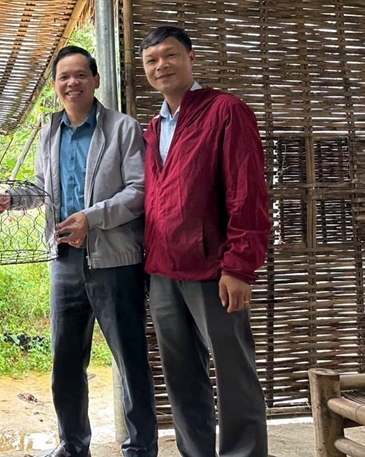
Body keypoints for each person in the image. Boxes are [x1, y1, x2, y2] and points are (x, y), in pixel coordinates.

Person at [0, 46, 157, 457]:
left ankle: (140, 448)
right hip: (64, 260)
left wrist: (92, 218)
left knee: (130, 359)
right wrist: (11, 199)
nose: (72, 83)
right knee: (66, 362)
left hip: (115, 261)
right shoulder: (50, 131)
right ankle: (73, 444)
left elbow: (139, 192)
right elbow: (42, 189)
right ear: (55, 85)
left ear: (96, 80)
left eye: (81, 74)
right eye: (64, 77)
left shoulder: (122, 128)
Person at [139, 26, 271, 457]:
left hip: (213, 271)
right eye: (152, 60)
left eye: (170, 55)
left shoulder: (225, 111)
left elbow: (247, 193)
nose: (162, 66)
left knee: (233, 374)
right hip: (162, 271)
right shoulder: (154, 127)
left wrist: (239, 267)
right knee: (180, 376)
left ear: (191, 58)